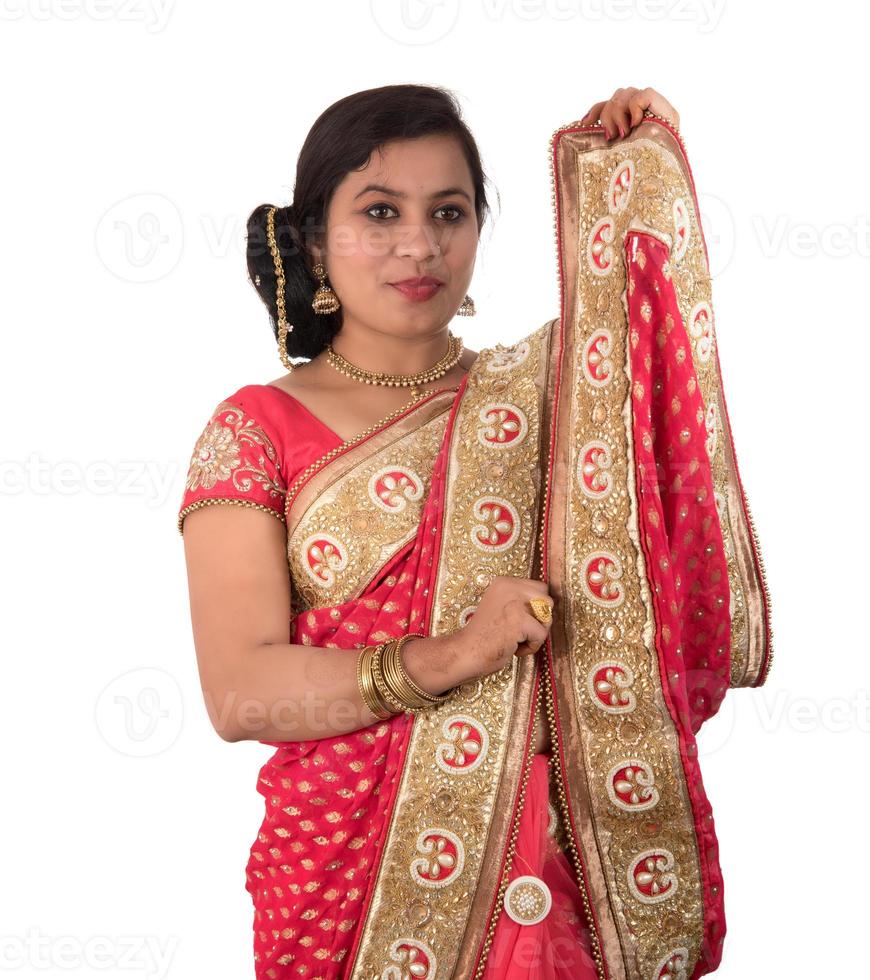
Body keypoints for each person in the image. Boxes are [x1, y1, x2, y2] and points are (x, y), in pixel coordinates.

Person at [177, 84, 772, 980]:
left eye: (448, 212)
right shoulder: (255, 429)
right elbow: (239, 694)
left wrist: (634, 174)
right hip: (347, 885)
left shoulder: (561, 396)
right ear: (312, 239)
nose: (420, 245)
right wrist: (459, 652)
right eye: (380, 213)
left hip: (562, 863)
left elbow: (655, 354)